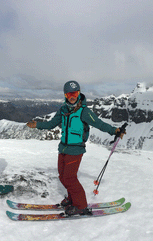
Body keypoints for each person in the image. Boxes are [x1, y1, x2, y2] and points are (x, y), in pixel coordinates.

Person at [26, 80, 125, 216]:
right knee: (62, 176)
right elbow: (50, 124)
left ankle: (81, 206)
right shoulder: (63, 110)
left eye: (75, 93)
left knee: (70, 178)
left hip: (76, 149)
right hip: (63, 149)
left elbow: (99, 123)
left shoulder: (84, 112)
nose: (72, 96)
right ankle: (72, 199)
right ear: (65, 95)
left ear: (78, 93)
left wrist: (114, 131)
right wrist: (37, 125)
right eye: (69, 94)